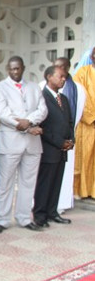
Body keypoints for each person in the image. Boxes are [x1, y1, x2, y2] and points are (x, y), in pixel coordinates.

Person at [0, 56, 48, 233]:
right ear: (8, 69)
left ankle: (24, 218)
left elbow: (43, 109)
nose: (15, 72)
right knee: (5, 182)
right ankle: (2, 219)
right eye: (12, 69)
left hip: (32, 144)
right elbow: (2, 114)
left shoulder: (34, 87)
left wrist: (29, 122)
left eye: (18, 68)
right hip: (10, 143)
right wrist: (25, 127)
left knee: (28, 182)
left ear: (23, 67)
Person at [33, 66, 74, 227]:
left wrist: (71, 140)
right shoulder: (42, 97)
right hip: (48, 149)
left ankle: (52, 212)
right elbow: (43, 127)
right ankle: (40, 215)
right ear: (49, 77)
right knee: (45, 183)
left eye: (65, 77)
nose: (63, 79)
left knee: (57, 182)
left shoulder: (63, 99)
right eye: (60, 76)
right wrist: (59, 142)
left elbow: (69, 122)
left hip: (62, 150)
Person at [54, 57, 85, 213]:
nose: (58, 69)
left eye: (62, 67)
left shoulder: (78, 89)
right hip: (49, 140)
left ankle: (62, 204)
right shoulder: (42, 86)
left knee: (65, 174)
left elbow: (77, 115)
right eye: (56, 66)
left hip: (67, 138)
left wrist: (66, 135)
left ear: (68, 68)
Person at [73, 47, 95, 199]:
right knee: (86, 158)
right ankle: (84, 191)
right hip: (88, 125)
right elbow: (81, 98)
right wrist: (92, 117)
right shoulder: (82, 73)